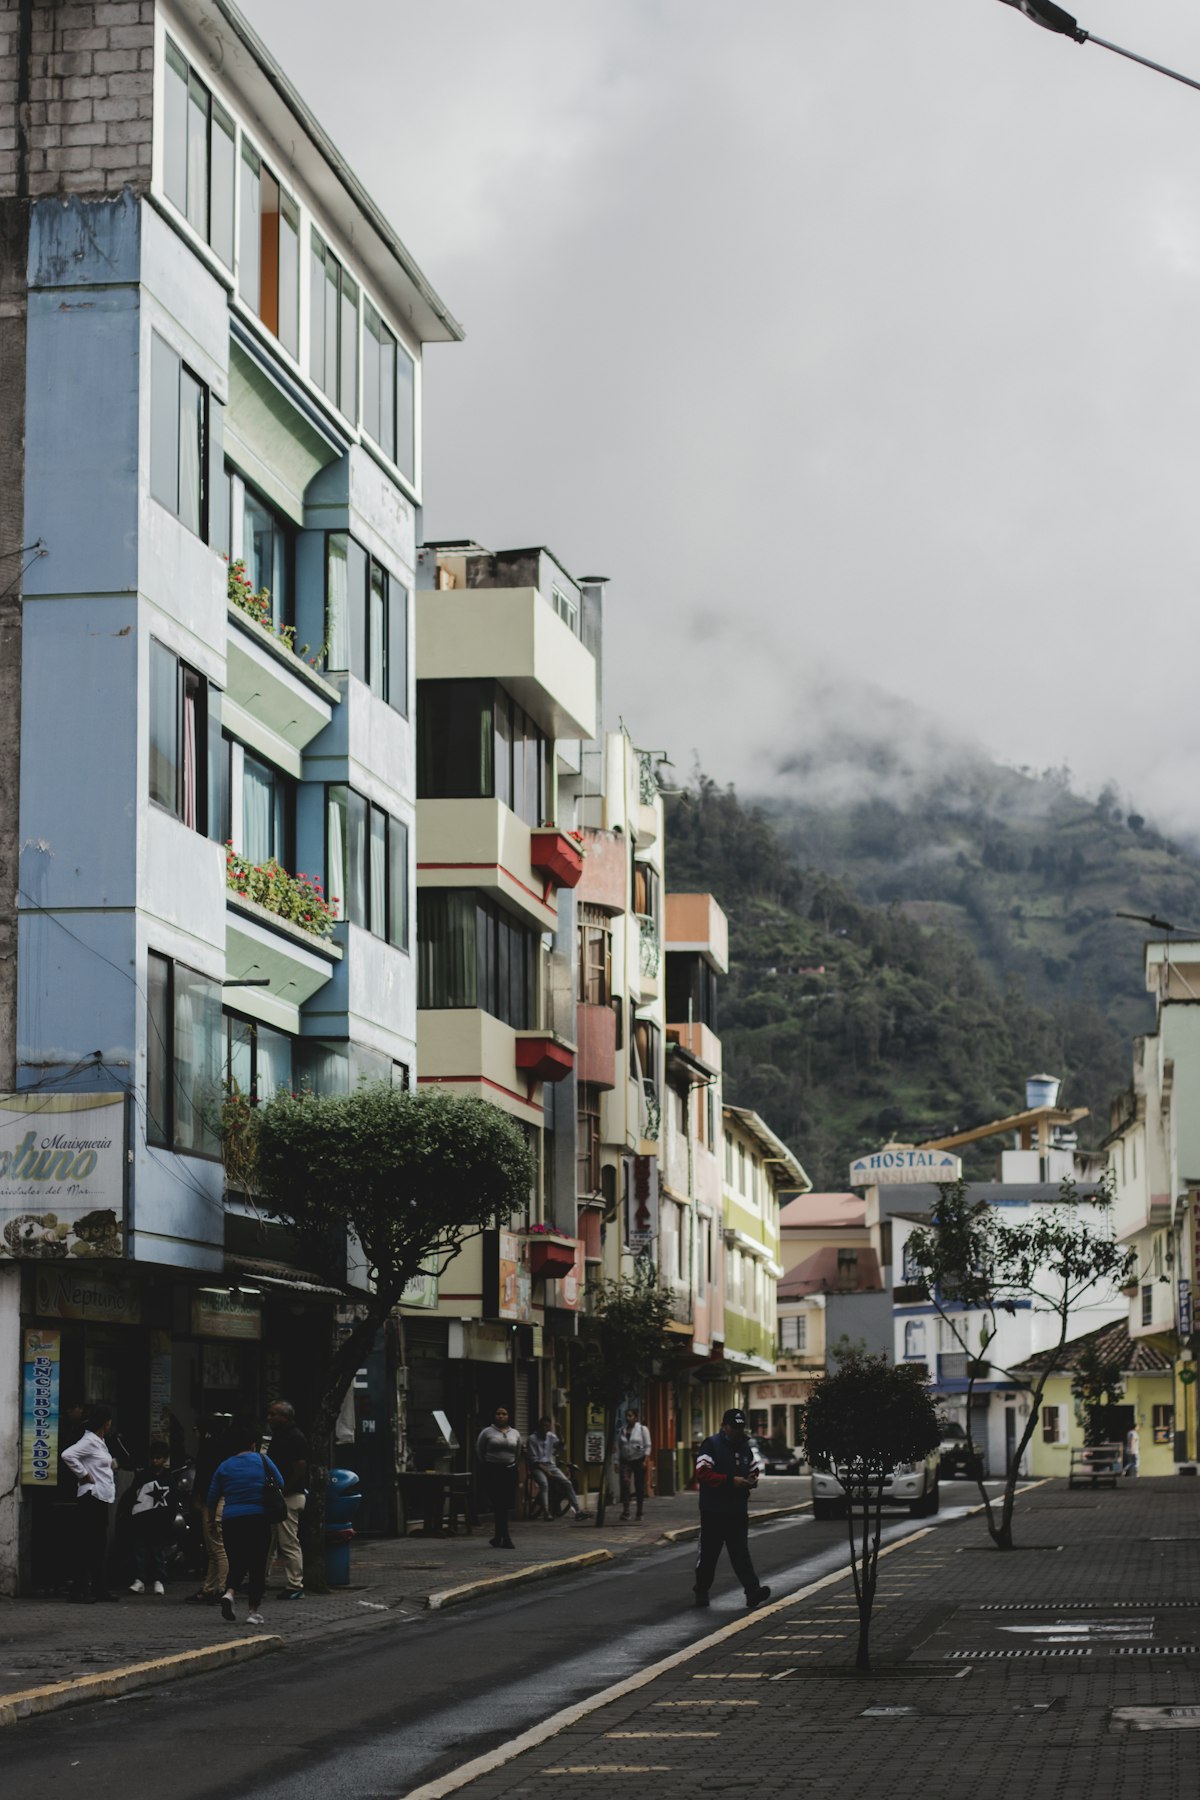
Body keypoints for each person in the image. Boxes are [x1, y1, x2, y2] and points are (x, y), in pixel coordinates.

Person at [692, 1407, 771, 1611]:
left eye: (740, 1427)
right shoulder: (711, 1445)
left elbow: (753, 1468)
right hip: (713, 1510)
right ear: (724, 1426)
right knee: (709, 1554)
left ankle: (752, 1591)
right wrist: (730, 1481)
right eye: (734, 1427)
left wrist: (751, 1479)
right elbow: (702, 1473)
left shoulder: (744, 1447)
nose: (737, 1431)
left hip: (737, 1510)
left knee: (740, 1553)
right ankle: (701, 1589)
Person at [207, 1417, 283, 1626]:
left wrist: (211, 1521)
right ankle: (252, 1611)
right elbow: (280, 1482)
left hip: (231, 1519)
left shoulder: (224, 1466)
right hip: (258, 1518)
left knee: (237, 1561)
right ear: (253, 1445)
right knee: (257, 1565)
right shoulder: (263, 1461)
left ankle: (229, 1593)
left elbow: (212, 1497)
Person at [61, 1405, 119, 1603]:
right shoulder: (89, 1441)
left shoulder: (100, 1442)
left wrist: (111, 1464)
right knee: (87, 1545)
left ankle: (98, 1588)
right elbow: (68, 1455)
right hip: (90, 1498)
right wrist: (84, 1475)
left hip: (101, 1498)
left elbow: (98, 1463)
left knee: (97, 1546)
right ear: (106, 1423)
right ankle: (78, 1591)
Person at [265, 1400, 309, 1598]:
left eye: (273, 1414)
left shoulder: (294, 1437)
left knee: (288, 1542)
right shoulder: (283, 1435)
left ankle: (295, 1584)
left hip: (288, 1497)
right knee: (269, 1541)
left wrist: (284, 1490)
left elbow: (300, 1467)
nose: (270, 1418)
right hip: (281, 1496)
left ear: (284, 1417)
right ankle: (261, 1577)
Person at [186, 1415, 231, 1605]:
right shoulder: (220, 1447)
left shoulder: (208, 1449)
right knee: (213, 1548)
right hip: (215, 1499)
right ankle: (210, 1587)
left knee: (217, 1547)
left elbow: (203, 1476)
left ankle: (220, 1588)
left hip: (213, 1500)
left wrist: (197, 1496)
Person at [128, 1441, 175, 1595]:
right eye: (154, 1458)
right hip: (143, 1520)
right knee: (141, 1551)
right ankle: (141, 1579)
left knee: (157, 1551)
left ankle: (158, 1579)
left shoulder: (168, 1478)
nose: (155, 1461)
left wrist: (169, 1520)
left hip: (158, 1521)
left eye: (158, 1458)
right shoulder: (144, 1476)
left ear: (164, 1459)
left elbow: (173, 1502)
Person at [476, 1405, 521, 1549]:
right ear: (494, 1416)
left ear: (508, 1416)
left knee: (505, 1505)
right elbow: (479, 1450)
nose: (501, 1416)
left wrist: (513, 1465)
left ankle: (498, 1537)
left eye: (504, 1414)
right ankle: (506, 1538)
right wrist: (487, 1466)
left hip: (509, 1471)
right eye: (498, 1413)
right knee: (498, 1504)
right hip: (493, 1471)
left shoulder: (515, 1433)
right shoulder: (487, 1432)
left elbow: (518, 1452)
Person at [527, 1417, 585, 1519]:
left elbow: (562, 1447)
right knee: (544, 1484)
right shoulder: (532, 1438)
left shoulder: (551, 1436)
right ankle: (546, 1512)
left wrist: (559, 1431)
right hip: (537, 1466)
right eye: (543, 1426)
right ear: (539, 1426)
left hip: (550, 1465)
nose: (545, 1428)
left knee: (567, 1483)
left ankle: (578, 1510)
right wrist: (546, 1472)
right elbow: (534, 1460)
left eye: (547, 1426)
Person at [617, 1406, 652, 1521]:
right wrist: (616, 1462)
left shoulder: (642, 1429)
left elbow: (648, 1445)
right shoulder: (622, 1430)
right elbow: (619, 1447)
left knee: (639, 1486)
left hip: (638, 1460)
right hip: (625, 1460)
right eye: (627, 1415)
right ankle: (626, 1511)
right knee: (625, 1483)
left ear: (635, 1417)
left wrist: (645, 1460)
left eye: (630, 1416)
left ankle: (639, 1511)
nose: (628, 1418)